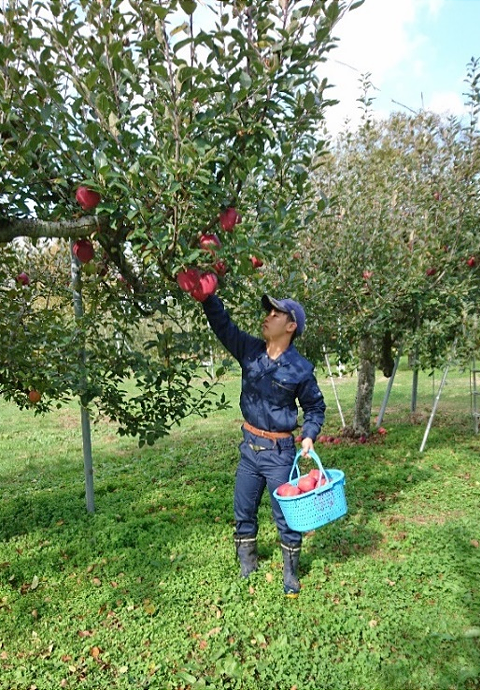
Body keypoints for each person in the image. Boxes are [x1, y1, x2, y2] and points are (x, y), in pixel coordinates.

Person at [200, 291, 326, 597]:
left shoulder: (300, 368)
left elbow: (315, 407)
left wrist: (309, 434)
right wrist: (207, 296)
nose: (267, 317)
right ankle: (247, 565)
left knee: (286, 515)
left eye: (275, 314)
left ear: (291, 326)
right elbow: (222, 324)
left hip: (279, 454)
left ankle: (291, 574)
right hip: (249, 447)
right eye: (267, 312)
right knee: (243, 508)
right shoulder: (250, 350)